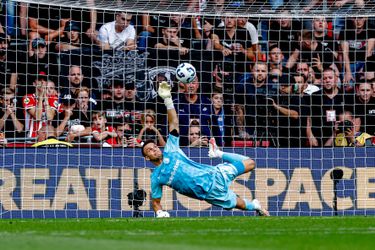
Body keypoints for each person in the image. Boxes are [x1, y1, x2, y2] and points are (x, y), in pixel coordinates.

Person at [142, 81, 270, 218]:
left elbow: (174, 122)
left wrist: (167, 99)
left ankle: (218, 153)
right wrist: (160, 213)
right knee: (241, 205)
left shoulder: (170, 150)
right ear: (147, 158)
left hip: (215, 174)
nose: (154, 149)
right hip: (210, 194)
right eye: (150, 150)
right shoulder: (156, 177)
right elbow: (156, 202)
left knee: (251, 163)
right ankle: (256, 206)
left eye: (154, 146)